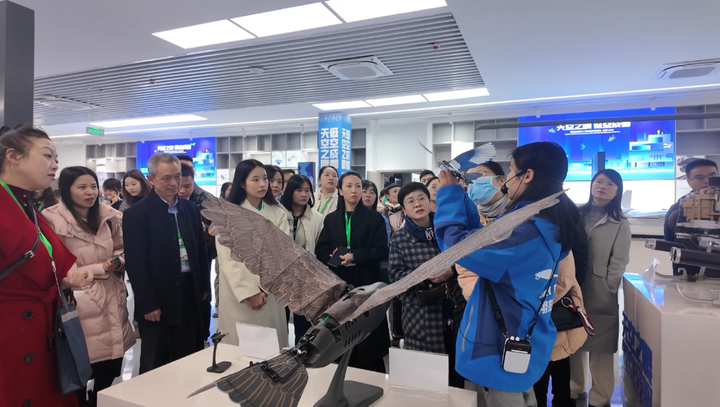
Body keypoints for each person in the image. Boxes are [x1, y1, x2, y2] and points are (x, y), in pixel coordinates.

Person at [435, 141, 579, 407]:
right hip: (522, 337)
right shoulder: (544, 223)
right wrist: (462, 198)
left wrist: (448, 194)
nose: (507, 180)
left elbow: (456, 246)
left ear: (528, 175)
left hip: (498, 346)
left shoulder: (522, 234)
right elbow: (479, 238)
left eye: (511, 171)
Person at [0, 125, 94, 407]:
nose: (55, 165)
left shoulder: (26, 204)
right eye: (47, 156)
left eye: (56, 158)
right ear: (13, 156)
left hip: (41, 331)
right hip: (9, 335)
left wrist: (65, 277)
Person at [43, 166, 135, 407]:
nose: (90, 192)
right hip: (77, 301)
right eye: (82, 187)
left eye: (93, 186)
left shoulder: (109, 216)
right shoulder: (51, 220)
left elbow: (122, 247)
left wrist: (118, 262)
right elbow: (56, 265)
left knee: (111, 366)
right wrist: (99, 268)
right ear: (67, 189)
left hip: (111, 297)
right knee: (79, 372)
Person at [122, 153, 210, 374]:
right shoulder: (136, 214)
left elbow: (200, 252)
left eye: (177, 176)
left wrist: (203, 287)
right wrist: (148, 302)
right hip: (158, 293)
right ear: (151, 179)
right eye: (166, 178)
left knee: (188, 352)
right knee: (156, 357)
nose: (174, 183)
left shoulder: (191, 209)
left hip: (189, 289)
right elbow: (136, 263)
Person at [389, 182, 466, 388]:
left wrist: (452, 271)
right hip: (422, 318)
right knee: (428, 383)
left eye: (421, 198)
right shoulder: (400, 239)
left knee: (457, 380)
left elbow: (467, 261)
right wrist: (424, 276)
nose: (417, 204)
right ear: (404, 209)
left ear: (430, 201)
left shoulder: (447, 230)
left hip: (456, 310)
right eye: (410, 201)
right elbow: (395, 276)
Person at [315, 171, 390, 373]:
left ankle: (372, 376)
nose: (354, 190)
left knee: (369, 338)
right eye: (348, 186)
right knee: (342, 333)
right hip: (340, 285)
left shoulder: (375, 218)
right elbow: (320, 249)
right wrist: (332, 256)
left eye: (358, 186)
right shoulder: (331, 219)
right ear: (340, 191)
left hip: (367, 283)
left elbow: (381, 250)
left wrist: (355, 256)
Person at [570, 169, 631, 407]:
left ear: (617, 191)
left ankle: (600, 396)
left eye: (610, 184)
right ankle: (575, 387)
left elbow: (620, 258)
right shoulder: (576, 213)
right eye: (599, 181)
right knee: (573, 337)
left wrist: (609, 285)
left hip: (600, 288)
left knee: (601, 343)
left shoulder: (619, 222)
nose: (603, 186)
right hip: (573, 284)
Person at [216, 159, 289, 348]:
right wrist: (250, 292)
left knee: (271, 349)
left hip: (269, 293)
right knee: (240, 349)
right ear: (242, 183)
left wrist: (263, 288)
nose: (263, 184)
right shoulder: (228, 214)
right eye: (255, 180)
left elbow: (282, 254)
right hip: (239, 295)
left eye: (265, 178)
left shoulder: (278, 213)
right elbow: (229, 259)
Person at [280, 174, 324, 344]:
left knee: (304, 323)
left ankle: (302, 353)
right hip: (282, 278)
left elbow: (319, 247)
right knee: (280, 319)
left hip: (306, 278)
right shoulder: (279, 214)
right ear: (290, 191)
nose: (304, 194)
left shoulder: (317, 218)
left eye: (307, 190)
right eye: (299, 190)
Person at [664, 158, 718, 242]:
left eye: (712, 176)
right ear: (689, 181)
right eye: (699, 177)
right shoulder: (676, 209)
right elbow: (670, 242)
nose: (707, 181)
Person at [362, 180, 391, 244]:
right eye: (364, 191)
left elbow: (385, 244)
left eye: (372, 192)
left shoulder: (381, 219)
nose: (368, 195)